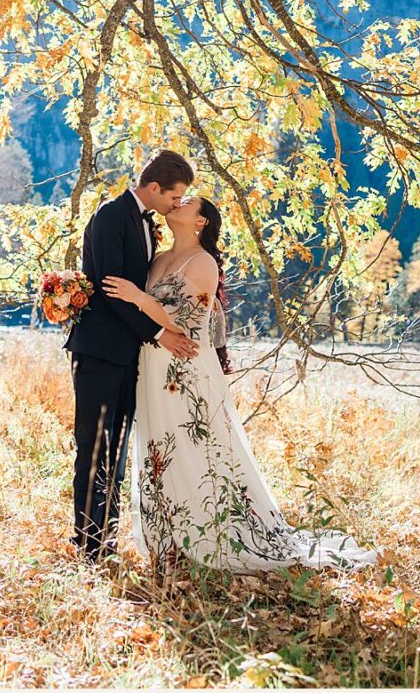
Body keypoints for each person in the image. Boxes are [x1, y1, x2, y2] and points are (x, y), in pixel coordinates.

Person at [104, 196, 378, 572]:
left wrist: (136, 296)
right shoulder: (158, 258)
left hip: (184, 370)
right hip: (152, 364)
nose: (177, 202)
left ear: (200, 222)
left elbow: (182, 323)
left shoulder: (203, 263)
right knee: (159, 446)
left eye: (187, 202)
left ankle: (212, 532)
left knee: (193, 443)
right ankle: (170, 537)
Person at [64, 150, 199, 563]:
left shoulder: (147, 225)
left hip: (127, 356)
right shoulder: (111, 216)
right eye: (176, 197)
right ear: (154, 188)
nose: (178, 204)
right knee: (94, 448)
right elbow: (112, 290)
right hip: (101, 352)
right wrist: (158, 333)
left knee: (116, 452)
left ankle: (103, 541)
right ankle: (88, 545)